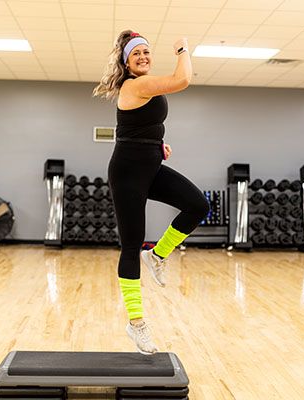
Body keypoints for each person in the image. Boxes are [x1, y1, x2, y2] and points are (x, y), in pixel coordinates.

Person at [93, 30, 209, 355]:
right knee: (130, 246)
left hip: (150, 167)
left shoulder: (145, 86)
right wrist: (183, 49)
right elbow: (182, 79)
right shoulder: (135, 85)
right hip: (127, 174)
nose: (143, 57)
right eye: (136, 54)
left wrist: (157, 144)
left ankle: (157, 255)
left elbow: (139, 125)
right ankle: (137, 324)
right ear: (126, 63)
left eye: (146, 51)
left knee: (198, 205)